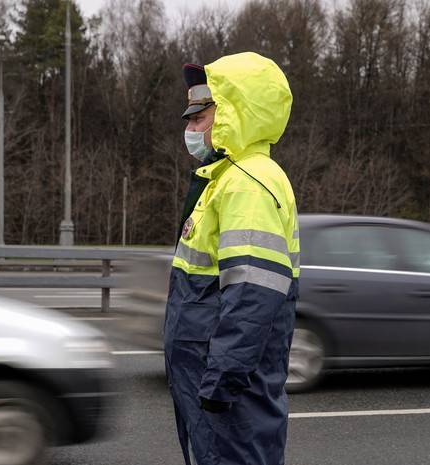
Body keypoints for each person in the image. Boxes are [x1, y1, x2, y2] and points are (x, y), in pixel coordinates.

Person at [164, 51, 300, 465]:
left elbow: (253, 294)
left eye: (197, 118)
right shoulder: (224, 179)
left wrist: (218, 385)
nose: (189, 129)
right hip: (210, 386)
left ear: (232, 113)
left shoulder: (247, 185)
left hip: (227, 395)